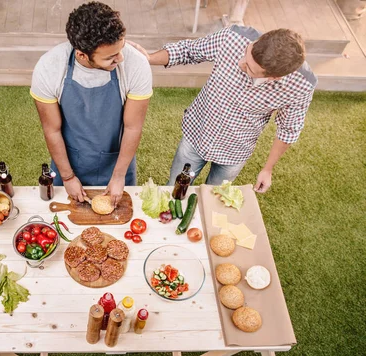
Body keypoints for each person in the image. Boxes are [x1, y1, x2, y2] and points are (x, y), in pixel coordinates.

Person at [130, 26, 317, 192]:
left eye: (249, 68)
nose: (240, 62)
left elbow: (288, 131)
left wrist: (267, 169)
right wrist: (149, 58)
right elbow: (189, 51)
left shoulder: (301, 85)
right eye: (246, 52)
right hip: (197, 134)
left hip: (235, 151)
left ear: (274, 77)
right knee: (175, 189)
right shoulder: (232, 37)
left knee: (214, 200)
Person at [30, 1, 153, 206]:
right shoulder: (48, 68)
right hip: (69, 159)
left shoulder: (136, 64)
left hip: (118, 159)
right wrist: (68, 177)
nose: (121, 58)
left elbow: (133, 127)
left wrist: (119, 175)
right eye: (111, 57)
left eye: (121, 48)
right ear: (82, 55)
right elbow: (52, 130)